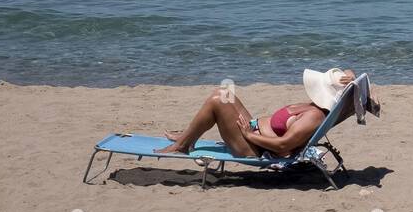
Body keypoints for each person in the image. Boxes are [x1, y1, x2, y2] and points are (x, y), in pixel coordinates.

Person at [156, 68, 372, 158]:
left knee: (216, 100)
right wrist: (347, 74)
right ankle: (187, 137)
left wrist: (250, 135)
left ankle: (183, 145)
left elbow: (284, 145)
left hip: (253, 147)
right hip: (253, 131)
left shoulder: (314, 117)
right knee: (223, 93)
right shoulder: (317, 106)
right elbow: (356, 87)